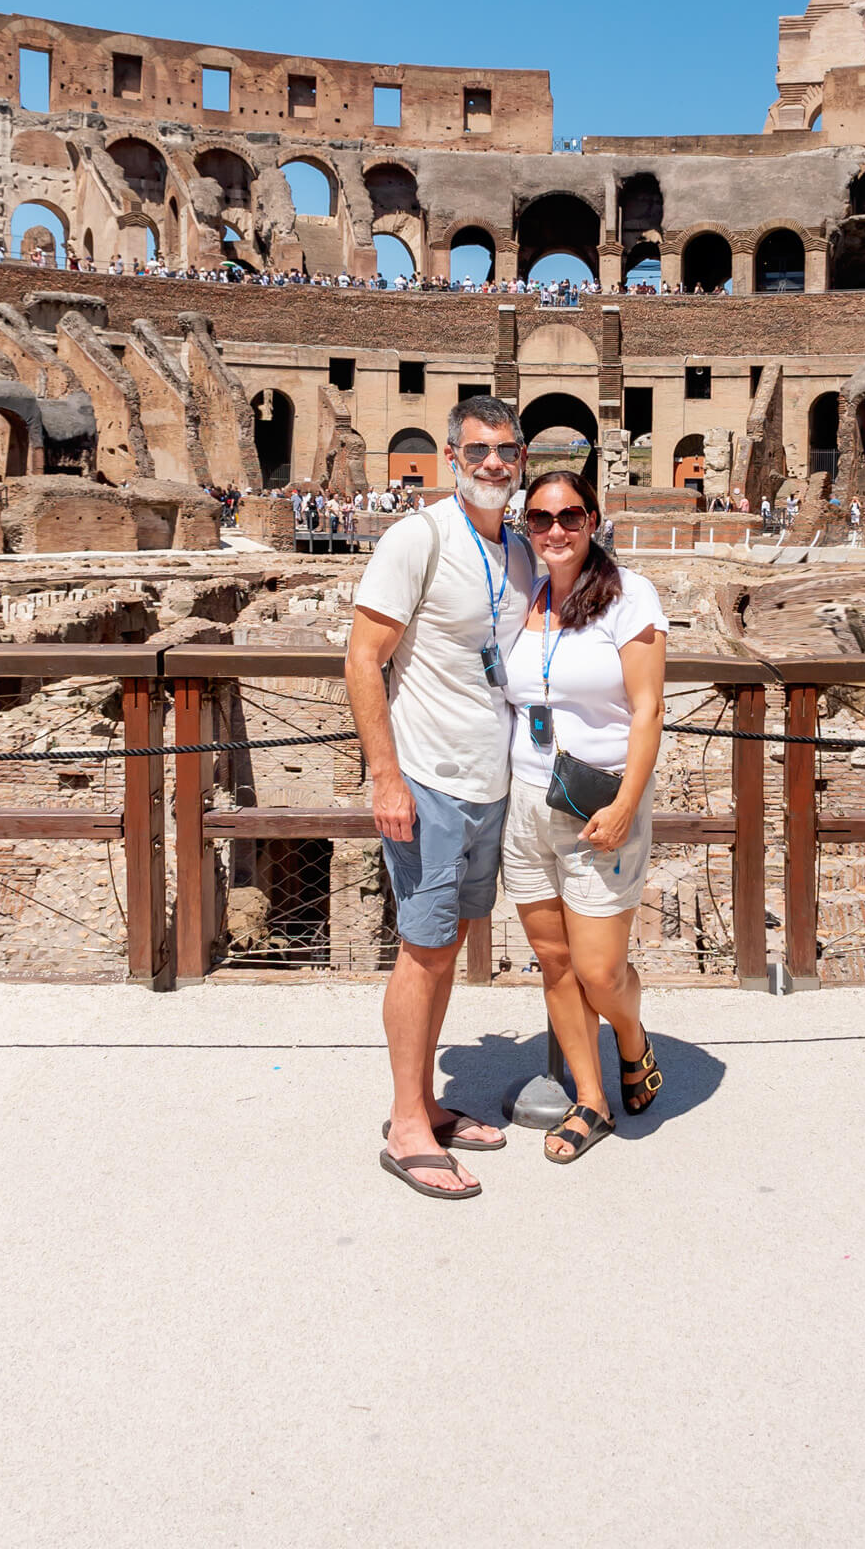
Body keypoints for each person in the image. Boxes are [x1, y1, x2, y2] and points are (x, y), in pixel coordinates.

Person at [346, 397, 535, 1201]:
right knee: (422, 948)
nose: (494, 463)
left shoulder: (522, 551)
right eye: (479, 450)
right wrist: (385, 775)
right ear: (453, 458)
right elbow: (363, 658)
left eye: (507, 450)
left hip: (490, 780)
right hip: (427, 779)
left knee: (450, 943)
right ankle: (406, 1127)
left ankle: (425, 1099)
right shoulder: (415, 538)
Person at [501, 469, 667, 1163]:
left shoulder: (629, 598)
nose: (556, 530)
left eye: (570, 515)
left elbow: (649, 709)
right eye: (540, 518)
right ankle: (590, 1100)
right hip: (526, 803)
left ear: (593, 519)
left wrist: (629, 800)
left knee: (601, 973)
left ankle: (632, 1037)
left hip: (600, 805)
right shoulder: (523, 596)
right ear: (527, 527)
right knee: (555, 961)